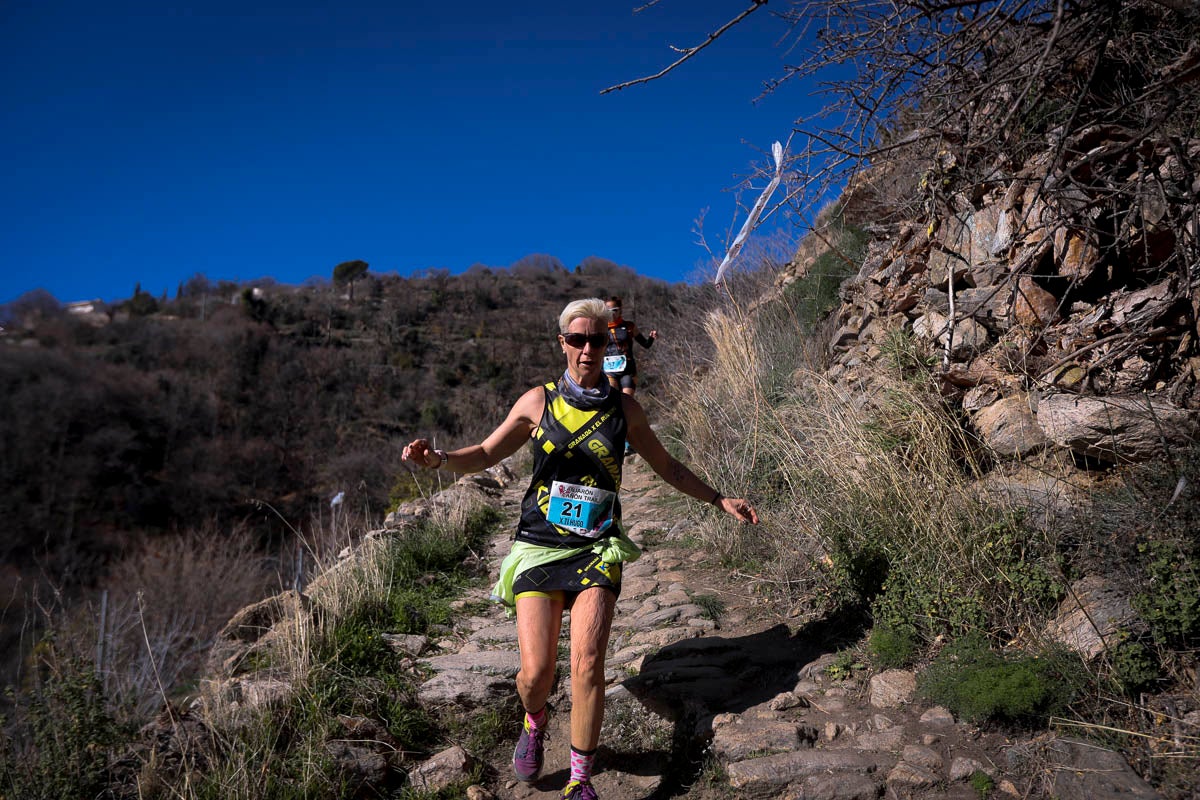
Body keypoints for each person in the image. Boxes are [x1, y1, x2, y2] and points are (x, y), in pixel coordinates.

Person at [402, 298, 758, 800]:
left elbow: (668, 466)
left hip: (596, 547)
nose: (588, 349)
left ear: (608, 344)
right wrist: (438, 459)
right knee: (536, 674)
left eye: (597, 340)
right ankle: (534, 719)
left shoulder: (625, 410)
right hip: (539, 545)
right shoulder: (537, 402)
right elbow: (484, 453)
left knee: (588, 662)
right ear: (563, 344)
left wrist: (719, 498)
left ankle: (580, 780)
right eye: (578, 339)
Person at [603, 296, 656, 397]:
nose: (611, 313)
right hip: (609, 371)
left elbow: (646, 344)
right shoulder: (600, 329)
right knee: (611, 399)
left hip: (627, 370)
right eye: (607, 311)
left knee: (626, 401)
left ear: (620, 310)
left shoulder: (629, 326)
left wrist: (651, 338)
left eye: (614, 310)